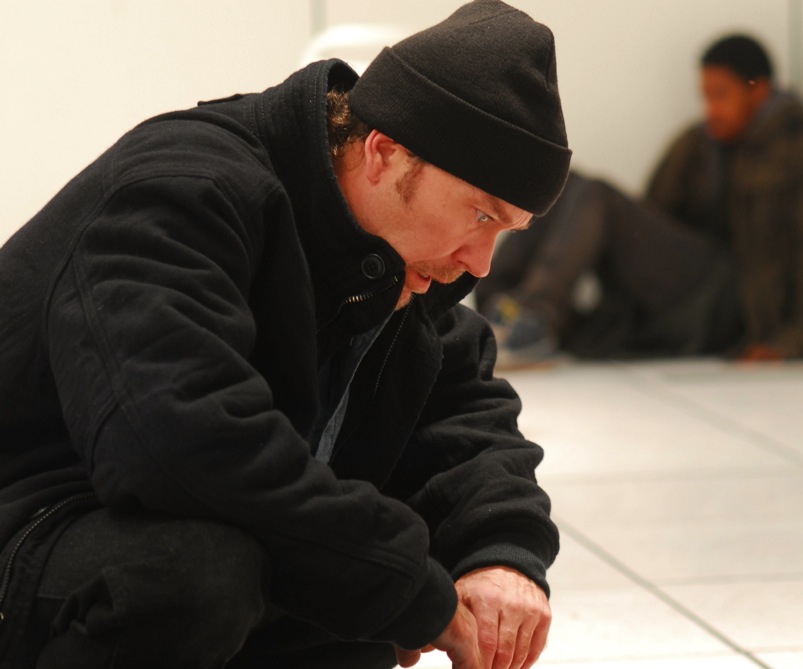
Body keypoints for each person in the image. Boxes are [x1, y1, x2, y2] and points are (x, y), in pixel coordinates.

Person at [0, 1, 571, 668]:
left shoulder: (395, 262)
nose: (481, 263)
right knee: (197, 575)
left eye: (506, 231)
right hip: (33, 524)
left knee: (352, 598)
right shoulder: (182, 194)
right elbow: (182, 448)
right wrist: (405, 584)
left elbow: (463, 414)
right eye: (481, 216)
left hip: (133, 532)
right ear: (385, 153)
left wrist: (501, 553)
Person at [476, 34, 803, 365]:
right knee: (569, 184)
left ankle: (534, 323)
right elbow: (649, 225)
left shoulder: (800, 143)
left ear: (759, 90)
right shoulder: (698, 143)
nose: (711, 109)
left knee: (597, 195)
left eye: (721, 95)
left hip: (733, 301)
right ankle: (499, 309)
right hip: (689, 284)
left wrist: (795, 344)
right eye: (706, 96)